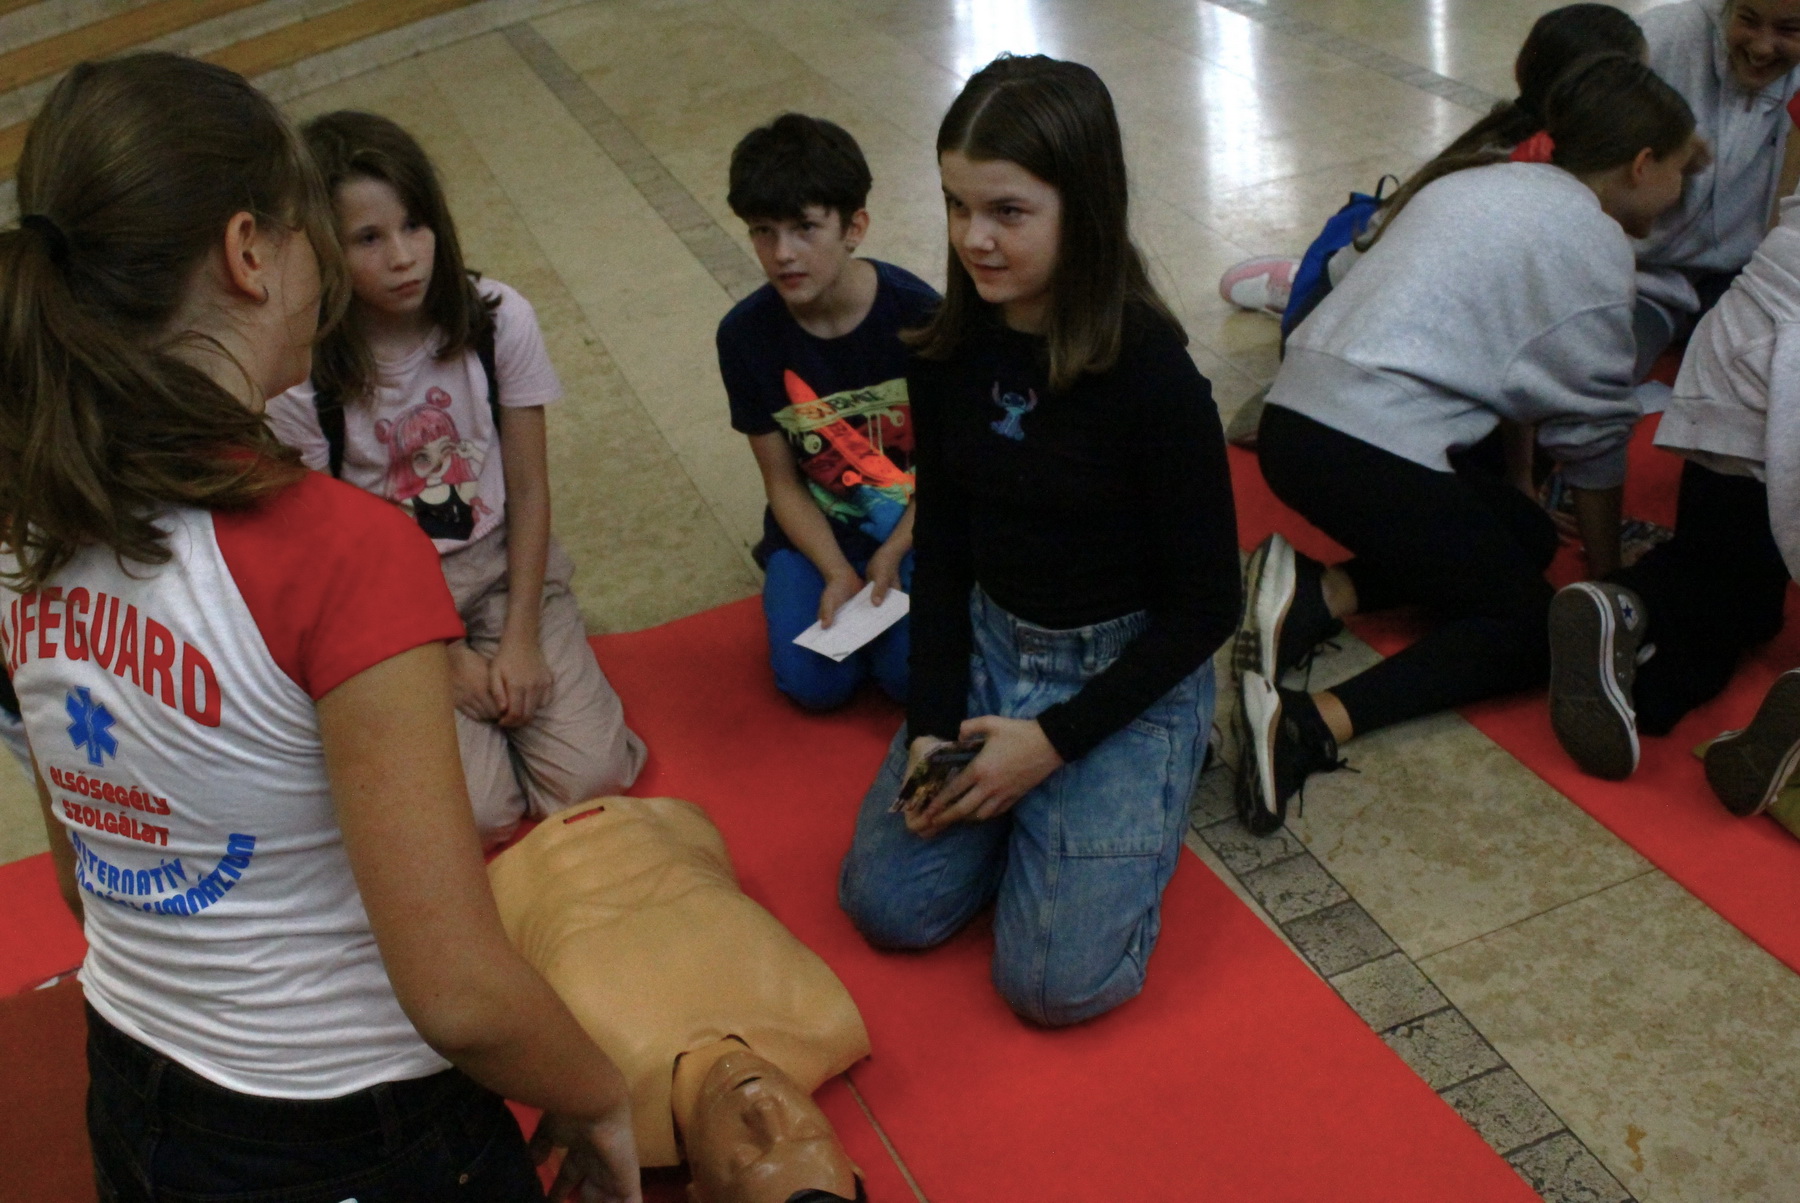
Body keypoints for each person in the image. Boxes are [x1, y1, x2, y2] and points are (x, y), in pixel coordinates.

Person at [0, 53, 640, 1202]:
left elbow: (87, 879)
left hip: (136, 1087)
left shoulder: (26, 528)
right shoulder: (338, 551)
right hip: (349, 1131)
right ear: (250, 253)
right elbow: (458, 994)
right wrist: (598, 1094)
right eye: (313, 236)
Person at [837, 55, 1242, 1027]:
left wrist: (1055, 746)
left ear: (1083, 208)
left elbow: (1207, 605)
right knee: (886, 906)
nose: (973, 237)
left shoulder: (1152, 378)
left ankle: (1165, 763)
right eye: (956, 204)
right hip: (993, 645)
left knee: (1055, 986)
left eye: (1008, 212)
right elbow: (948, 551)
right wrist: (934, 723)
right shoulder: (948, 349)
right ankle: (1040, 814)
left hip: (1119, 667)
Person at [1235, 54, 1703, 836]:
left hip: (1296, 420)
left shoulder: (1484, 179)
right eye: (1681, 171)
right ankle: (1310, 721)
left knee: (1523, 532)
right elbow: (1593, 438)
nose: (1682, 191)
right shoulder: (1594, 246)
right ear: (1641, 163)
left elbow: (1513, 368)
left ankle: (1318, 593)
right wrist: (1608, 577)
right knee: (1529, 628)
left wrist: (1524, 486)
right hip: (1361, 448)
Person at [265, 111, 644, 846]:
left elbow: (529, 490)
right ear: (325, 252)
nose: (403, 257)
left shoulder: (498, 319)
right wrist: (442, 658)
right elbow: (332, 554)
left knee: (591, 780)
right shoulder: (300, 378)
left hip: (502, 566)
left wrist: (522, 637)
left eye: (414, 226)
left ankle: (545, 659)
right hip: (389, 597)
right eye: (368, 239)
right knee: (477, 814)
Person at [488, 796, 871, 1202]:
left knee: (489, 812)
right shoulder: (823, 1020)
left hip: (493, 865)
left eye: (746, 1158)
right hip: (649, 809)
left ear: (700, 1195)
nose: (763, 1110)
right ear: (851, 1165)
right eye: (807, 1132)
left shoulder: (589, 1104)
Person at [1549, 186, 1800, 780]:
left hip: (1740, 341)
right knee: (1737, 585)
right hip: (1783, 354)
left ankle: (1629, 621)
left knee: (1727, 580)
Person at [1218, 4, 1649, 322]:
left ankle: (1302, 282)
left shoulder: (1498, 136)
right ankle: (1300, 285)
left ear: (1521, 66)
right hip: (1354, 328)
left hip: (1347, 301)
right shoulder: (1544, 175)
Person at [717, 114, 939, 711]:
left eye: (805, 228)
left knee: (909, 678)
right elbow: (782, 483)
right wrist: (836, 569)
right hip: (816, 534)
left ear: (854, 227)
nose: (782, 254)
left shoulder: (921, 317)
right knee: (814, 685)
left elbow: (952, 467)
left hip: (916, 526)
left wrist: (893, 551)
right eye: (763, 232)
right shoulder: (744, 336)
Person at [1634, 0, 1800, 378]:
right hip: (1642, 277)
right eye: (1748, 20)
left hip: (1746, 278)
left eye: (1789, 30)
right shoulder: (1662, 38)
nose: (1762, 48)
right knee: (1597, 369)